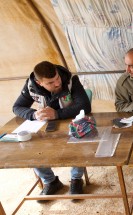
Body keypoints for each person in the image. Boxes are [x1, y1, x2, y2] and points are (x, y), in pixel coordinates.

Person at [13, 61, 91, 201]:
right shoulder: (31, 86)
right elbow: (17, 107)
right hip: (46, 127)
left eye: (57, 78)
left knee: (79, 138)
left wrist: (57, 114)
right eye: (50, 82)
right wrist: (34, 114)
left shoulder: (70, 80)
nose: (57, 83)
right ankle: (50, 181)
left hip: (70, 121)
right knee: (30, 144)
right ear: (39, 82)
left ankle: (76, 179)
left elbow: (85, 106)